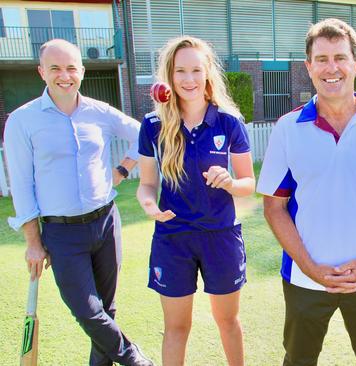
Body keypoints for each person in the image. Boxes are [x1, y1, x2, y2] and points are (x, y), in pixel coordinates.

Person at [257, 18, 356, 366]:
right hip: (305, 277)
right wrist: (311, 268)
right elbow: (274, 207)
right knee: (298, 360)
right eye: (322, 59)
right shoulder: (288, 128)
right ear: (309, 67)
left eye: (340, 58)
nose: (332, 68)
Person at [4, 39, 152, 366]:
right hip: (61, 234)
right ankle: (136, 360)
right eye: (55, 68)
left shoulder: (99, 112)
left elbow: (144, 135)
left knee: (107, 310)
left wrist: (123, 168)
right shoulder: (22, 120)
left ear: (81, 71)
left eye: (71, 67)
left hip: (106, 222)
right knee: (87, 311)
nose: (64, 75)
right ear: (42, 72)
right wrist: (33, 242)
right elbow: (22, 185)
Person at [136, 36, 254, 366]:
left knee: (228, 322)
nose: (188, 79)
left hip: (220, 235)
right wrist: (149, 204)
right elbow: (146, 184)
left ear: (207, 74)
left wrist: (230, 181)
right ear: (169, 76)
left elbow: (248, 184)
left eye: (196, 71)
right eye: (180, 71)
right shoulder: (152, 125)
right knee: (176, 327)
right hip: (173, 238)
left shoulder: (229, 122)